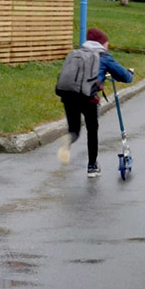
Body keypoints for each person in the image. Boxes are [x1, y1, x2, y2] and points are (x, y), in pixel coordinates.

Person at [57, 27, 134, 177]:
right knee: (92, 130)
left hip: (69, 95)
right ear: (101, 43)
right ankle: (92, 166)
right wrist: (130, 73)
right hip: (88, 98)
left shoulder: (75, 54)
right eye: (107, 43)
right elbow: (124, 76)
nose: (107, 46)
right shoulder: (103, 56)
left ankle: (68, 139)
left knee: (74, 129)